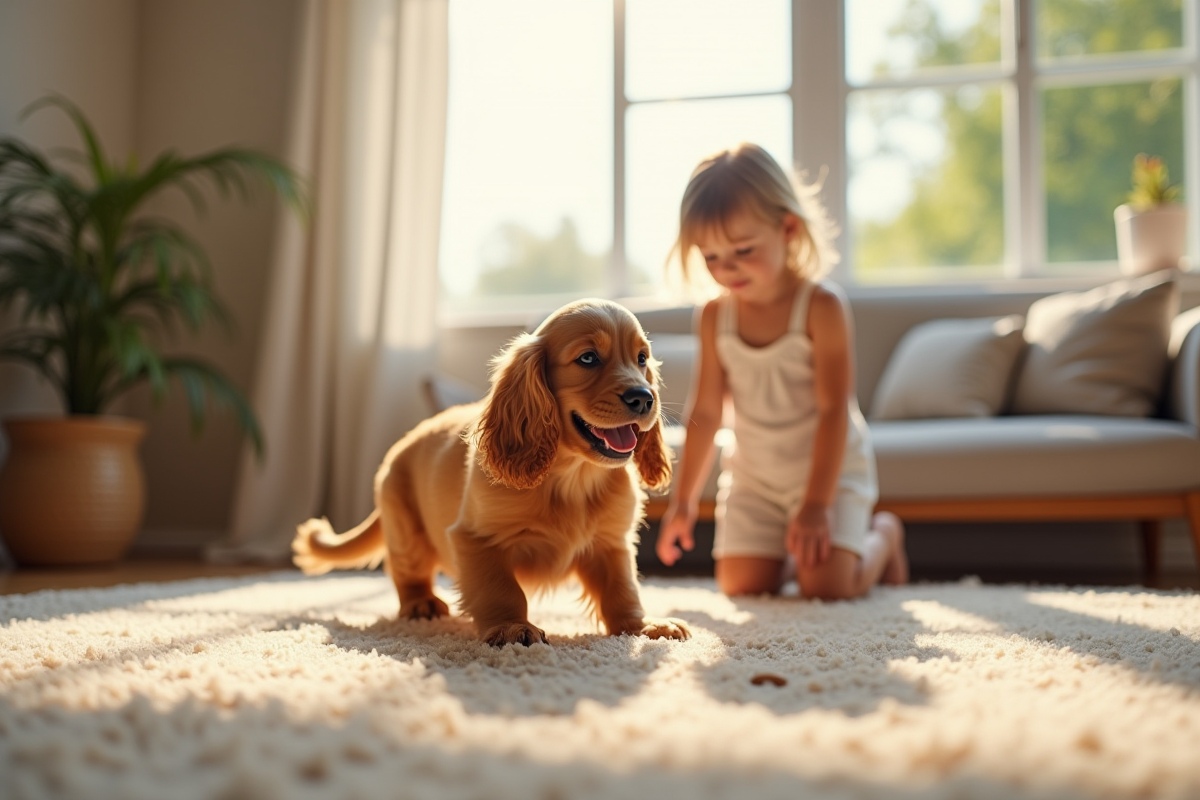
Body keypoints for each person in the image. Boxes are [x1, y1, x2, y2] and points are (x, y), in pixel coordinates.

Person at [655, 143, 909, 599]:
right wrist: (683, 502)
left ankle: (883, 537)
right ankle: (794, 551)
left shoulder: (822, 307)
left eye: (743, 249)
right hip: (756, 477)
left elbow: (835, 411)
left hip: (827, 475)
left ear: (787, 228)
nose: (726, 268)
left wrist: (815, 505)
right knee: (741, 586)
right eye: (710, 256)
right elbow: (708, 413)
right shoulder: (714, 316)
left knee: (828, 588)